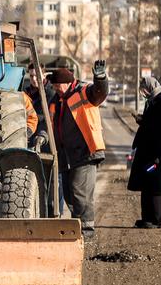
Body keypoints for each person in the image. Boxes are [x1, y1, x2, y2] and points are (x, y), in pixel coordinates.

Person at [48, 61, 109, 237]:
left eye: (58, 86)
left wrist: (101, 78)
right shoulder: (57, 101)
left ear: (68, 83)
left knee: (79, 192)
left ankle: (87, 230)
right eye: (54, 86)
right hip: (67, 156)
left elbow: (100, 92)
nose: (56, 89)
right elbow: (50, 122)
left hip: (85, 152)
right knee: (69, 194)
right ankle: (78, 228)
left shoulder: (84, 92)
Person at [127, 77, 161, 229]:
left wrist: (158, 156)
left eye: (144, 89)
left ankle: (158, 220)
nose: (143, 93)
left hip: (157, 153)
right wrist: (142, 119)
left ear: (151, 87)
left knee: (156, 184)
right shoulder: (153, 101)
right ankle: (147, 218)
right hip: (148, 151)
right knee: (146, 183)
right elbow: (152, 123)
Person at [24, 63, 63, 217]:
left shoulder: (52, 93)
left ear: (44, 75)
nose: (34, 79)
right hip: (30, 141)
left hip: (49, 140)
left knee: (53, 182)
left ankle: (55, 215)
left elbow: (50, 119)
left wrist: (41, 132)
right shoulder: (25, 93)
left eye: (37, 75)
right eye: (32, 75)